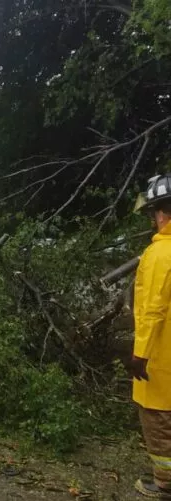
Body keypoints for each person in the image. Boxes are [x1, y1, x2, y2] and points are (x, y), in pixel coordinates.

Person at [132, 174, 171, 499]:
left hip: (161, 357)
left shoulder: (160, 255)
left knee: (158, 421)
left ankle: (164, 483)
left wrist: (139, 354)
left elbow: (153, 309)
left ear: (161, 212)